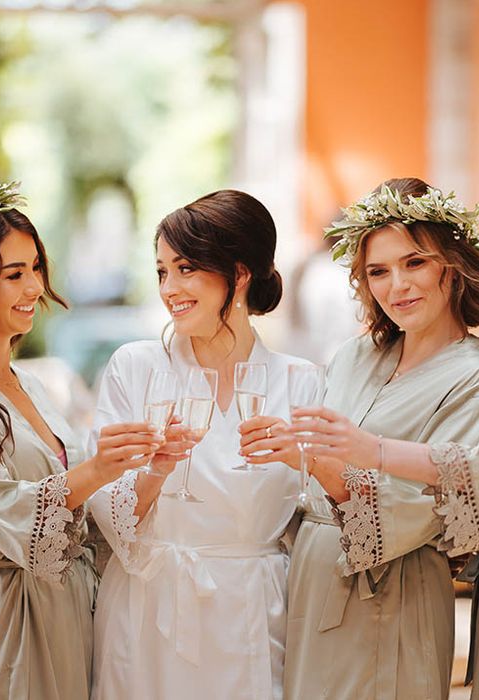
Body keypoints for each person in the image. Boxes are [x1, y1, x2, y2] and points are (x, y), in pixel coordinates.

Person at [239, 178, 479, 699]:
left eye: (415, 263)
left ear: (452, 265)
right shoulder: (353, 356)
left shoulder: (478, 378)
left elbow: (424, 509)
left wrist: (314, 462)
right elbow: (307, 474)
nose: (397, 286)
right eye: (378, 272)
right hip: (315, 582)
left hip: (395, 594)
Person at [0, 182, 167, 700]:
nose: (34, 288)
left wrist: (149, 467)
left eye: (36, 269)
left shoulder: (35, 386)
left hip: (68, 614)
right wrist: (96, 470)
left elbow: (81, 514)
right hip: (0, 622)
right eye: (13, 274)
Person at [88, 190, 309, 699]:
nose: (170, 288)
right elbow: (110, 514)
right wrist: (157, 471)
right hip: (151, 604)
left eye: (186, 268)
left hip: (252, 610)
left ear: (240, 272)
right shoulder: (135, 367)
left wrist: (307, 457)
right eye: (162, 271)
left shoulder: (301, 382)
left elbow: (321, 519)